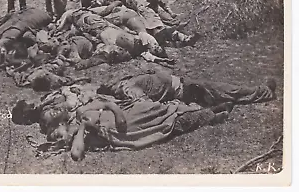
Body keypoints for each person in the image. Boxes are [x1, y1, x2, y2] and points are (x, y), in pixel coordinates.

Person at [12, 83, 229, 161]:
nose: (59, 134)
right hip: (127, 128)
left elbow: (103, 103)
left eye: (57, 132)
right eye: (58, 138)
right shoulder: (80, 137)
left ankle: (206, 109)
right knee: (170, 123)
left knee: (163, 108)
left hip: (125, 114)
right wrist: (83, 129)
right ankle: (210, 116)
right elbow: (76, 154)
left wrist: (112, 108)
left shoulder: (76, 116)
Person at [97, 70, 277, 112]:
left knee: (225, 91)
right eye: (109, 84)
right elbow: (146, 104)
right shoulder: (128, 88)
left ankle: (219, 105)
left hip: (184, 85)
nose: (111, 81)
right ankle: (265, 92)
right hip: (186, 91)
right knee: (230, 90)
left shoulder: (126, 81)